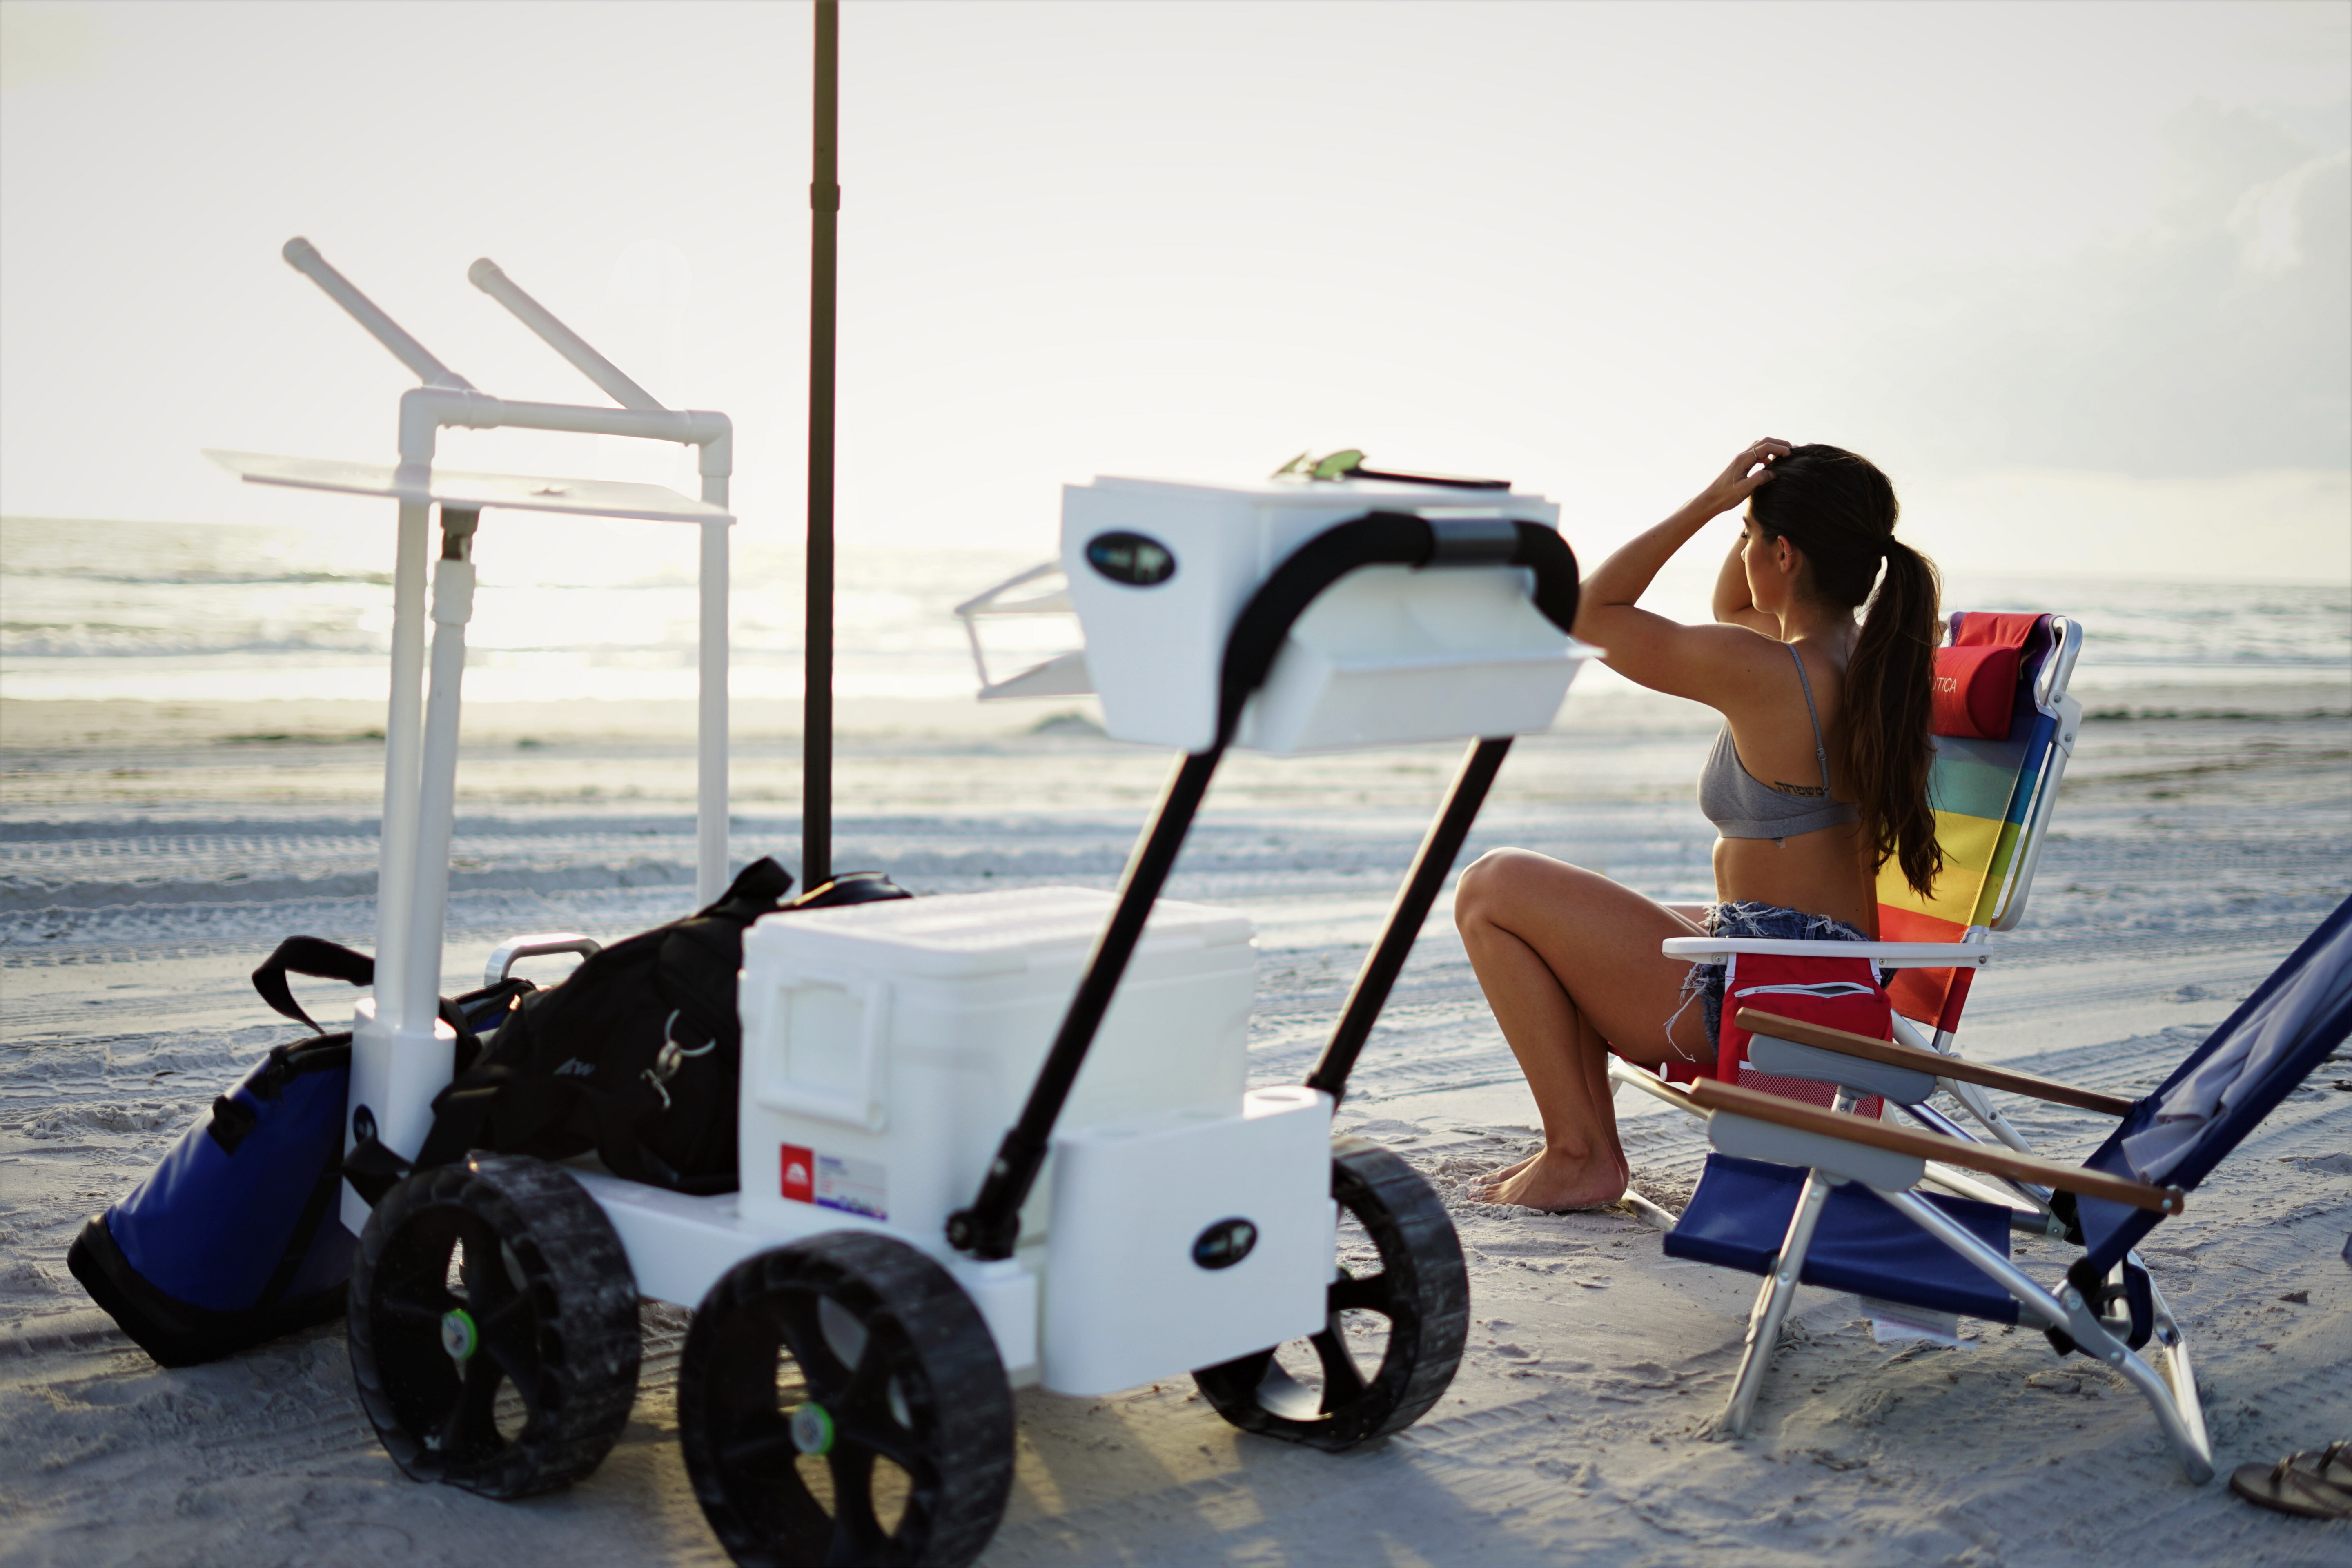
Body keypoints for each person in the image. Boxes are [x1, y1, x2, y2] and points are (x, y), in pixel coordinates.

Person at [1454, 439, 1943, 1210]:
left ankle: (1581, 1155)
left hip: (1769, 995)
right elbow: (1737, 608)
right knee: (1579, 923)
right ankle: (1582, 1150)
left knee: (1492, 887)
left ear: (1784, 553)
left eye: (1750, 537)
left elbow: (1586, 614)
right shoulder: (1869, 661)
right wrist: (1755, 515)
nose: (1740, 548)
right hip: (1827, 969)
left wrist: (1711, 500)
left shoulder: (1775, 672)